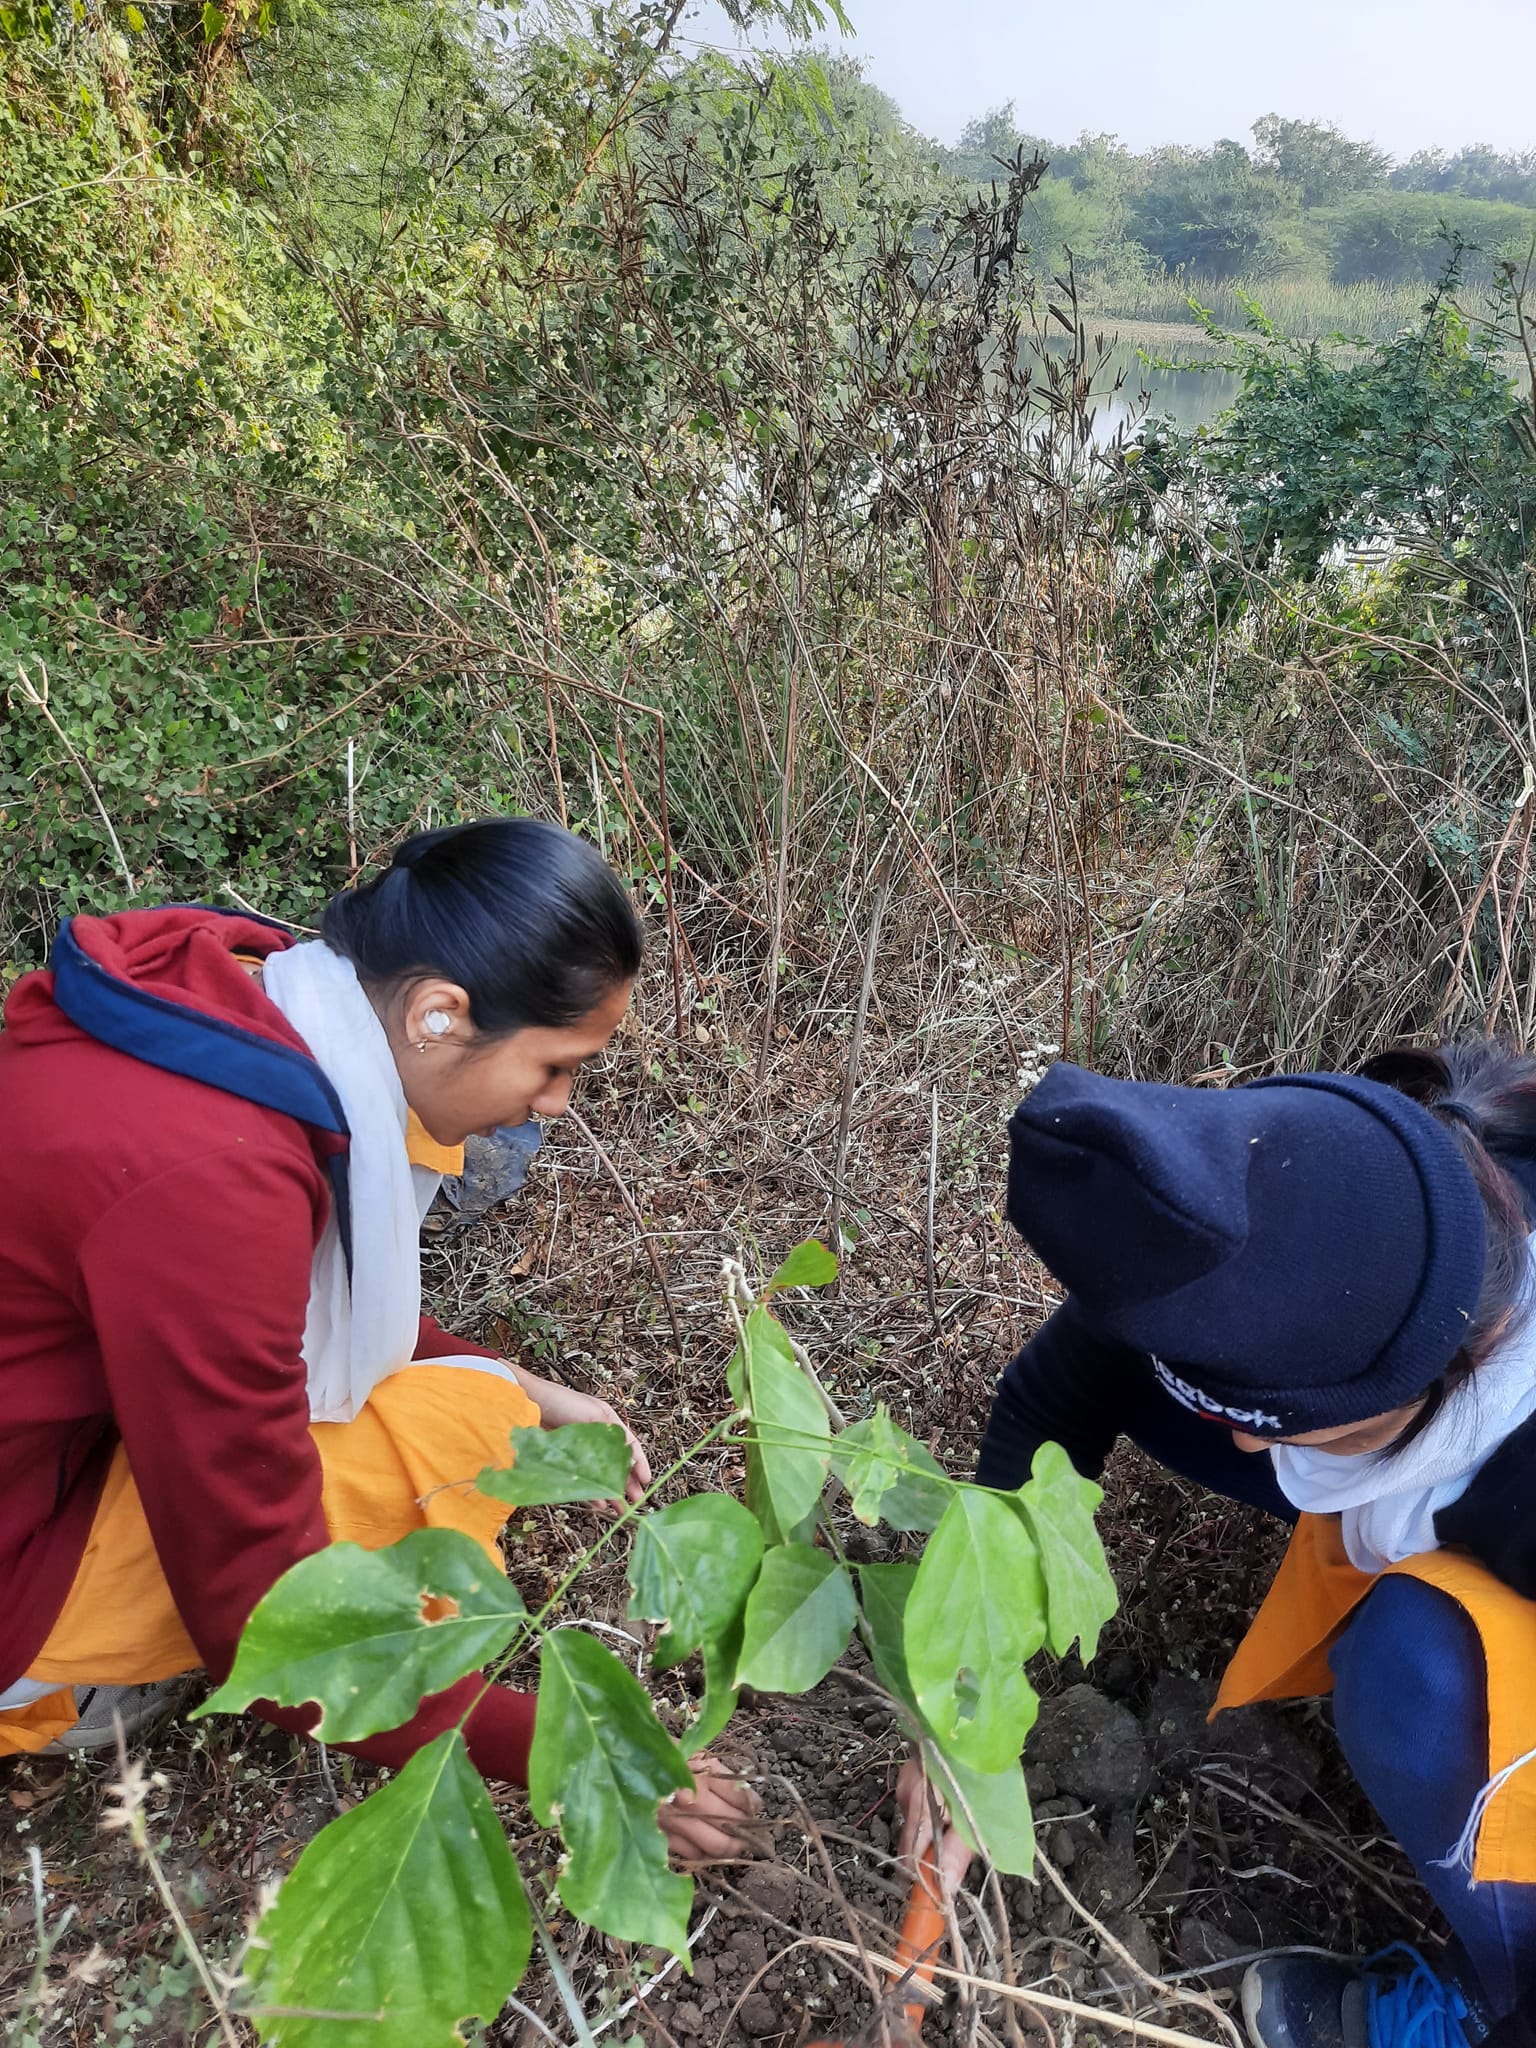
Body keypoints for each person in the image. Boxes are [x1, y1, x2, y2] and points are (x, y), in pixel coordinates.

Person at [0, 817, 753, 1859]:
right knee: (431, 1446)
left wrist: (529, 1382)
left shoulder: (264, 991)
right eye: (553, 1065)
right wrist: (576, 1752)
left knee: (481, 1401)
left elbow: (289, 1315)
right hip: (15, 1546)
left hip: (52, 1429)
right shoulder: (210, 1173)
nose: (558, 1104)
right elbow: (261, 1603)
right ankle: (47, 1679)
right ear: (440, 1011)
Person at [904, 1041, 1536, 2048]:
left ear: (1432, 1381)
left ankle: (1500, 1987)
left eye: (1273, 1420)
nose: (1240, 1440)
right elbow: (1052, 1399)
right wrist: (962, 1701)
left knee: (1417, 1670)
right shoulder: (1283, 1226)